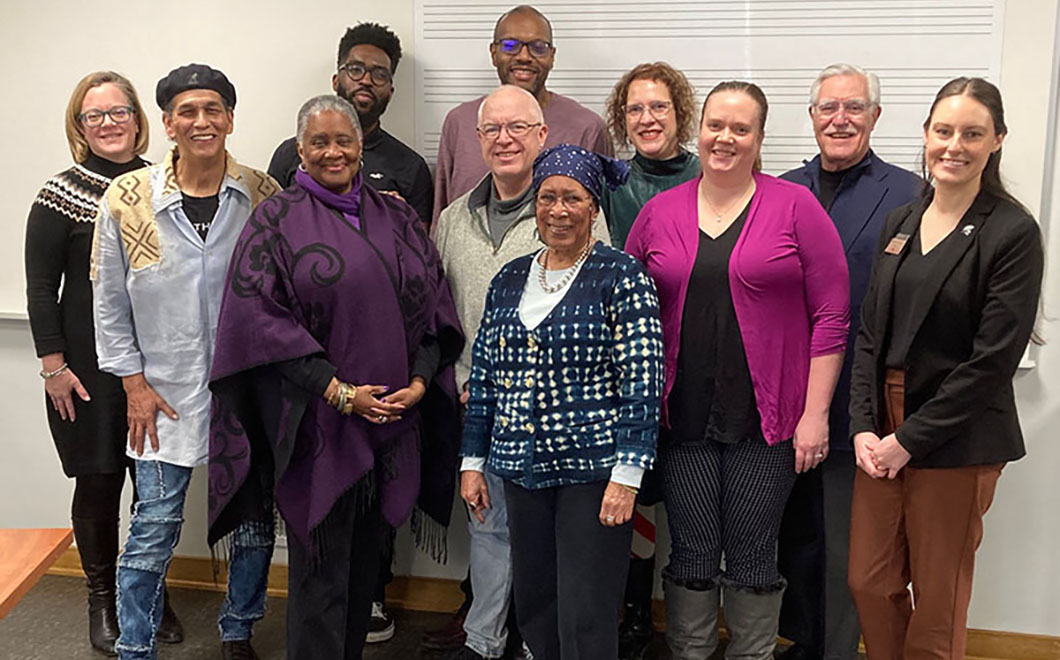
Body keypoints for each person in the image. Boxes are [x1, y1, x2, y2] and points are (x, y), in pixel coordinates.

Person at [207, 94, 464, 660]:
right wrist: (338, 391)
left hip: (391, 428)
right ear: (300, 150)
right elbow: (255, 323)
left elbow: (431, 308)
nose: (332, 152)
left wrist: (420, 382)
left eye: (342, 140)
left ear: (359, 146)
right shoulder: (274, 221)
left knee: (365, 579)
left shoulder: (396, 215)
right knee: (320, 583)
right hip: (317, 433)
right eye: (318, 142)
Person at [626, 81, 850, 660]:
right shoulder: (658, 212)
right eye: (714, 125)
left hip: (768, 421)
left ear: (760, 139)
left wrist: (815, 415)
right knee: (694, 554)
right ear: (698, 130)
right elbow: (625, 309)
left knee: (754, 555)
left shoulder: (795, 206)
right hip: (681, 420)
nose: (724, 138)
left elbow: (831, 315)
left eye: (740, 128)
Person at [847, 77, 1043, 660]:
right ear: (926, 135)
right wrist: (863, 424)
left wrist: (910, 439)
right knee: (870, 582)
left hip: (956, 435)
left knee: (937, 598)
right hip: (880, 428)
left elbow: (992, 362)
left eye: (972, 133)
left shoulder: (1011, 232)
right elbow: (869, 335)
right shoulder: (901, 221)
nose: (954, 145)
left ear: (997, 141)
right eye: (943, 131)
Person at [91, 64, 279, 660]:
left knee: (252, 527)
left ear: (229, 118)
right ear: (168, 123)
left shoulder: (262, 193)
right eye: (188, 111)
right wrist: (133, 385)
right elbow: (109, 302)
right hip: (160, 395)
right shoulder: (126, 198)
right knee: (152, 531)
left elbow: (284, 291)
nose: (202, 121)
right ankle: (136, 645)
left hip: (244, 391)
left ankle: (239, 628)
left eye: (214, 109)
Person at [461, 143, 663, 660]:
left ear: (593, 206)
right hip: (519, 470)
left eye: (572, 198)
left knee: (587, 611)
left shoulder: (622, 277)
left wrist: (627, 476)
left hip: (592, 475)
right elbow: (484, 375)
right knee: (535, 604)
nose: (558, 210)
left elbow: (642, 383)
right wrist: (473, 461)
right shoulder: (509, 279)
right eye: (547, 196)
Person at [435, 86, 610, 660]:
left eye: (518, 128)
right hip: (477, 401)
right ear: (478, 140)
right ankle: (484, 640)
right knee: (488, 528)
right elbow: (439, 306)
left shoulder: (573, 210)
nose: (505, 139)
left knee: (549, 545)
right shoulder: (455, 217)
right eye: (492, 130)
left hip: (557, 417)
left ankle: (543, 646)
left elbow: (597, 317)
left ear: (542, 135)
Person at [24, 70, 183, 656]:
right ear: (79, 126)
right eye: (96, 115)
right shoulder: (58, 194)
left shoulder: (165, 185)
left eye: (120, 112)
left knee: (155, 485)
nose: (110, 123)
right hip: (85, 370)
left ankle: (147, 590)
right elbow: (41, 288)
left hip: (158, 362)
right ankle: (103, 598)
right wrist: (52, 366)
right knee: (98, 481)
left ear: (140, 120)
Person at [776, 64, 920, 660]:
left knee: (844, 543)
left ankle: (835, 649)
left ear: (875, 117)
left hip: (855, 403)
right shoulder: (778, 188)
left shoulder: (910, 193)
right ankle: (799, 639)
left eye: (854, 108)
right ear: (810, 118)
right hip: (780, 397)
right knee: (790, 536)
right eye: (828, 109)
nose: (840, 120)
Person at [600, 60, 701, 660]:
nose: (646, 118)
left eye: (658, 107)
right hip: (624, 363)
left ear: (679, 113)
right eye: (635, 108)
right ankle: (634, 612)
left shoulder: (709, 173)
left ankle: (684, 624)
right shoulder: (610, 181)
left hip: (691, 359)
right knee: (631, 492)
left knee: (683, 497)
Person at [432, 4, 611, 225]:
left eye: (538, 47)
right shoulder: (459, 123)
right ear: (493, 53)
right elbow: (441, 219)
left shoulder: (588, 128)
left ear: (552, 56)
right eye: (510, 45)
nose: (524, 56)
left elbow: (603, 222)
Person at [269, 22, 433, 231]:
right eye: (356, 69)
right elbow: (269, 228)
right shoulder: (291, 153)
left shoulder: (411, 167)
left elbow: (418, 247)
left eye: (379, 74)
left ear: (390, 91)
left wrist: (397, 216)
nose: (366, 80)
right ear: (336, 81)